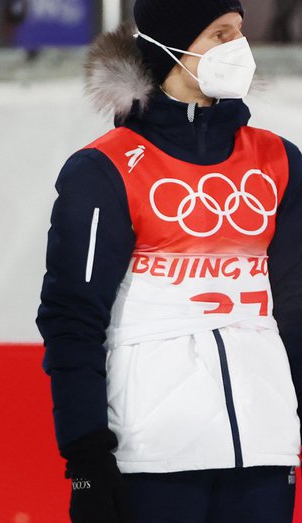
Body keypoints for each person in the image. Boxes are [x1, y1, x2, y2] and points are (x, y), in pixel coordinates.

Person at [37, 0, 302, 521]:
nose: (238, 48)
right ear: (168, 49)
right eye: (219, 34)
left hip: (264, 451)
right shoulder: (104, 167)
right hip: (152, 456)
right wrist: (86, 454)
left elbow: (296, 306)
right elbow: (72, 318)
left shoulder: (280, 160)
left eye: (239, 33)